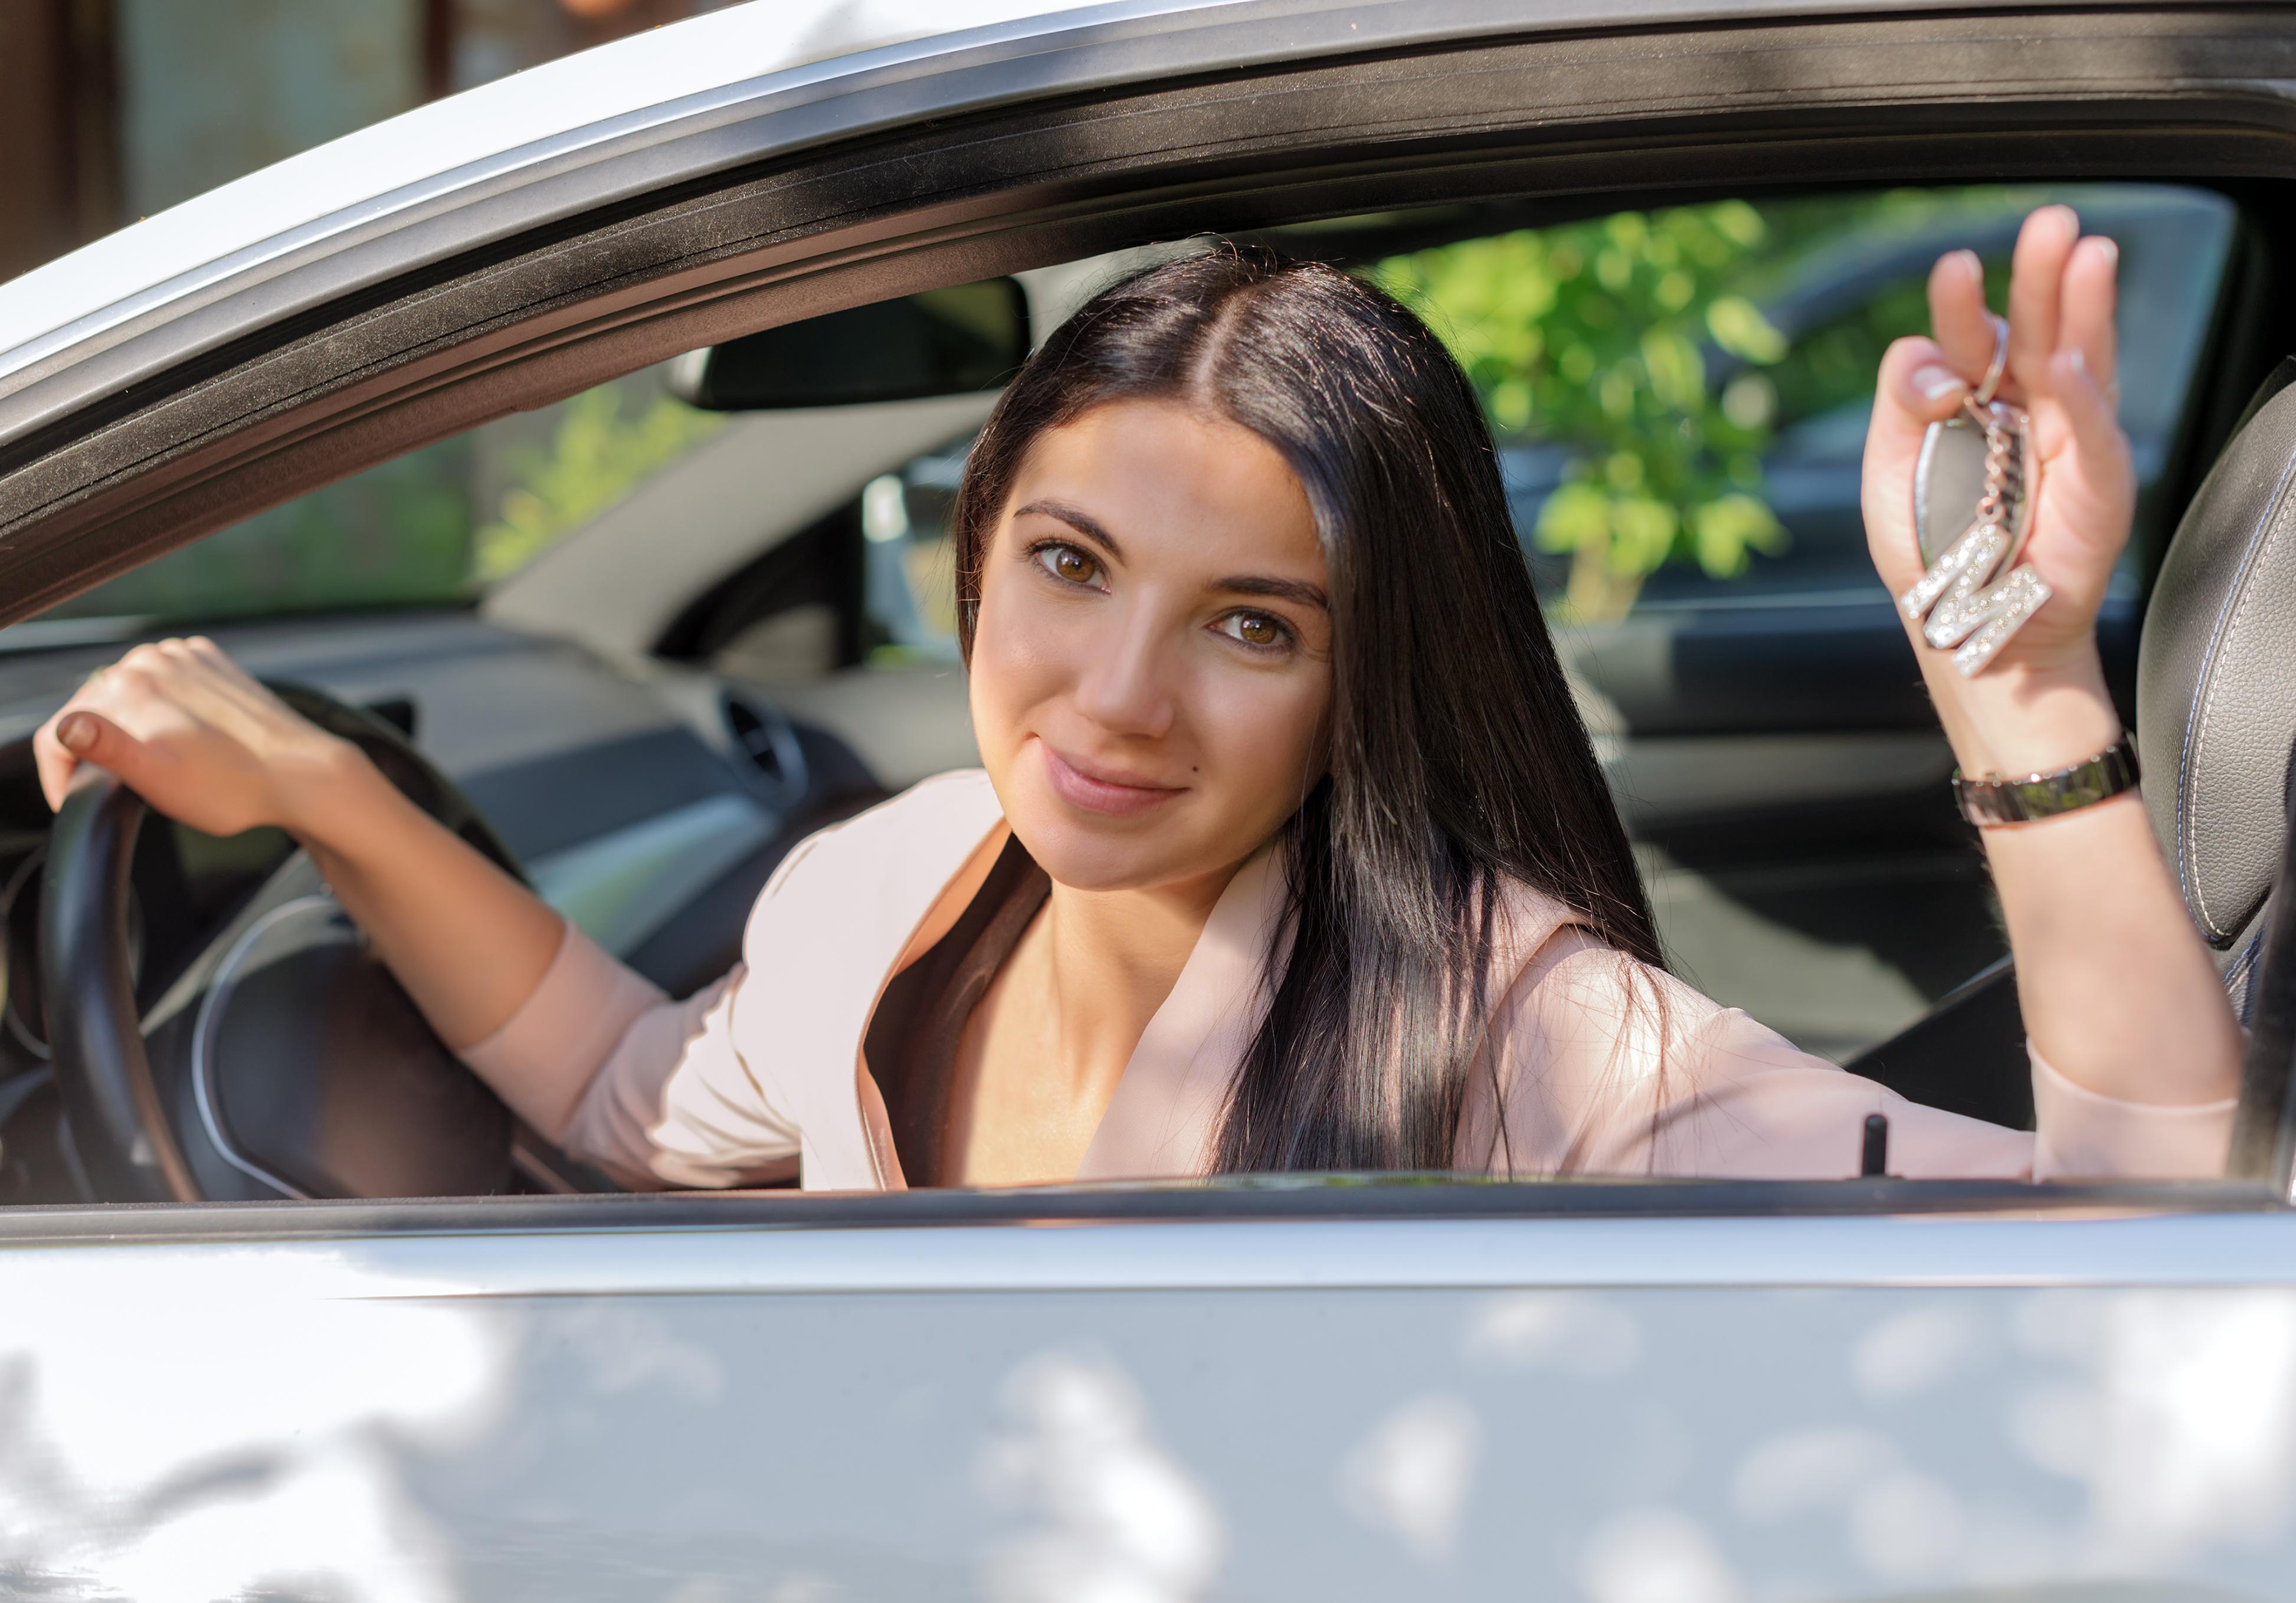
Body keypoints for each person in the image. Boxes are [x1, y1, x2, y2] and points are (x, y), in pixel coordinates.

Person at [32, 206, 2242, 1191]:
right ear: (978, 549)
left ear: (1361, 680)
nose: (1114, 697)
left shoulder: (1505, 1021)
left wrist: (2013, 671)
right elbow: (624, 1091)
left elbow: (2131, 1227)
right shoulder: (884, 887)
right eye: (1069, 570)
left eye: (1251, 626)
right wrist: (332, 790)